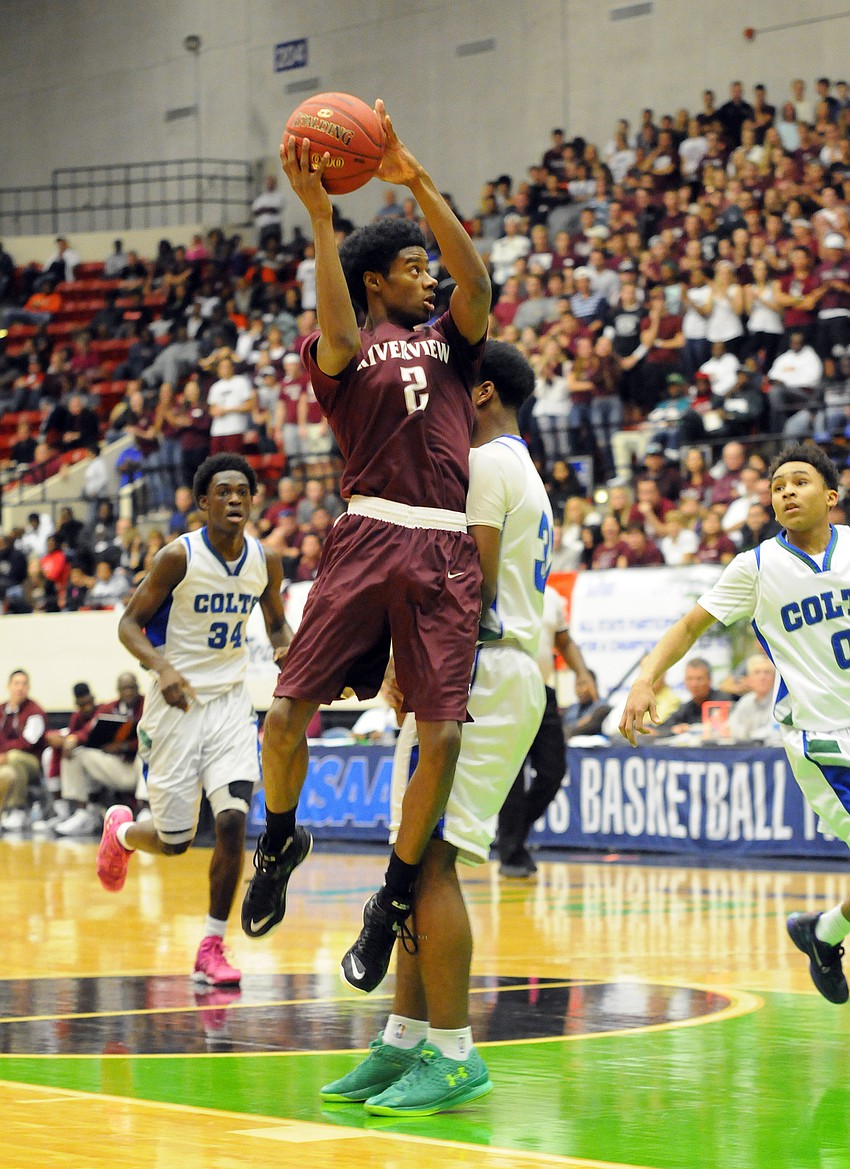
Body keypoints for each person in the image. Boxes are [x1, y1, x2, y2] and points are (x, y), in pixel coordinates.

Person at [240, 100, 491, 1001]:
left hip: (442, 549)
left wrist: (416, 179)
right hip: (368, 530)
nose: (430, 278)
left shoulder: (453, 346)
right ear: (377, 280)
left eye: (430, 266)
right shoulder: (343, 345)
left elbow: (480, 287)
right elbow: (340, 332)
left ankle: (388, 898)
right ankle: (278, 835)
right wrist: (319, 216)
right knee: (282, 718)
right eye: (414, 268)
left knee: (444, 736)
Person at [320, 339, 547, 1115]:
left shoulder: (484, 466)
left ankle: (453, 1051)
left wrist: (408, 663)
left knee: (436, 857)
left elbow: (469, 585)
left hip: (478, 670)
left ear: (477, 393)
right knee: (413, 859)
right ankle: (405, 1036)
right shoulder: (518, 465)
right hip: (485, 670)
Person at [619, 440, 850, 1005]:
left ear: (831, 494)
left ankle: (823, 932)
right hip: (823, 741)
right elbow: (689, 627)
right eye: (777, 486)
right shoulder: (756, 567)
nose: (787, 491)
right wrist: (647, 676)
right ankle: (823, 933)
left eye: (799, 481)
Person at [97, 453, 290, 987]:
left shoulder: (265, 562)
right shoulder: (176, 558)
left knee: (232, 822)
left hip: (230, 704)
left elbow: (276, 625)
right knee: (176, 840)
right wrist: (162, 669)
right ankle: (125, 833)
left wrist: (287, 653)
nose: (235, 499)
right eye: (223, 492)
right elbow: (129, 624)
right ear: (203, 503)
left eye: (243, 492)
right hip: (176, 707)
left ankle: (211, 946)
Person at [496, 582, 597, 878]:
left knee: (554, 771)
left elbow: (564, 642)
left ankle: (513, 834)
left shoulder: (551, 596)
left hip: (543, 691)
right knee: (513, 775)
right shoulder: (503, 588)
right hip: (508, 689)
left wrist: (582, 672)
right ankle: (511, 854)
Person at [54, 673, 144, 837]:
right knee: (76, 754)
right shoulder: (109, 707)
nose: (129, 692)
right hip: (117, 767)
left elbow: (152, 737)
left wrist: (124, 746)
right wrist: (74, 739)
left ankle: (146, 810)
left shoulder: (146, 705)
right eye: (125, 688)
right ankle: (83, 813)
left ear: (138, 688)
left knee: (148, 752)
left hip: (139, 766)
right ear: (118, 690)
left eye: (132, 687)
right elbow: (89, 729)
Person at [0, 669, 47, 831]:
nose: (20, 687)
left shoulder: (34, 711)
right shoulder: (1, 710)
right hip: (7, 761)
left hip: (31, 762)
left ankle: (18, 808)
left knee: (14, 757)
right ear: (9, 686)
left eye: (24, 684)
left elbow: (28, 742)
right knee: (8, 772)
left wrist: (4, 753)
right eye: (16, 683)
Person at [727, 654, 780, 743]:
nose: (762, 677)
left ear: (774, 678)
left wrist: (748, 735)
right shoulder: (746, 701)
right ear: (749, 679)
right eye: (757, 672)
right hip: (748, 750)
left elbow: (776, 732)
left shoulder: (781, 701)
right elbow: (731, 727)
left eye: (767, 672)